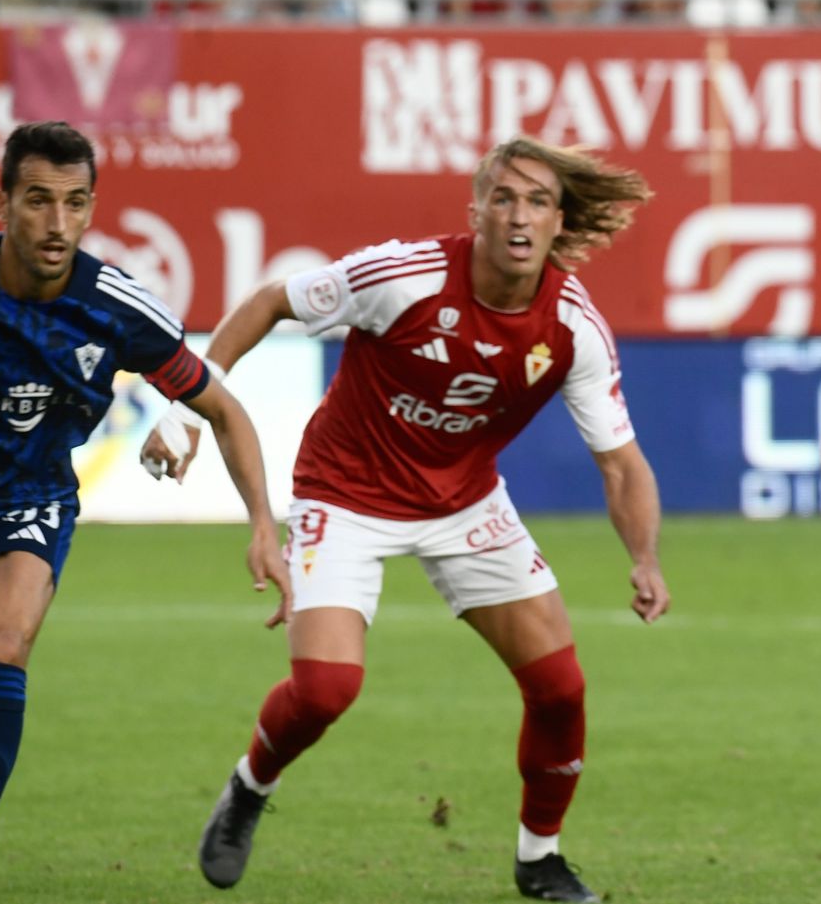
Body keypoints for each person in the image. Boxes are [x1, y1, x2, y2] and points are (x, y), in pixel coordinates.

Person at [143, 137, 671, 903]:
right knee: (325, 688)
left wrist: (645, 558)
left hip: (463, 503)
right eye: (504, 197)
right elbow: (268, 302)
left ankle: (540, 858)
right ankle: (250, 785)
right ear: (476, 210)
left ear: (560, 222)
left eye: (538, 202)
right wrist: (189, 412)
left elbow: (621, 462)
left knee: (560, 686)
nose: (519, 216)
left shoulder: (574, 328)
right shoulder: (403, 276)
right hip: (345, 492)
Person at [0, 121, 288, 818]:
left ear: (93, 207)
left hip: (29, 497)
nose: (57, 222)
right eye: (38, 200)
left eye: (74, 201)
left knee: (5, 643)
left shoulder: (115, 309)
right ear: (2, 206)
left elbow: (224, 409)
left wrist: (262, 525)